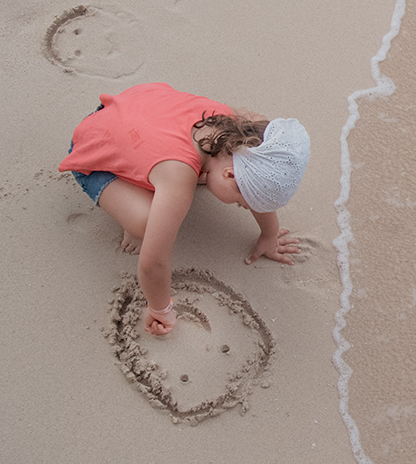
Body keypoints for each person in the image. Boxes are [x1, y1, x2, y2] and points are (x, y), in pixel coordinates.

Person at [60, 83, 310, 336]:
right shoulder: (178, 175)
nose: (242, 206)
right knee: (146, 223)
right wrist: (160, 309)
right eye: (240, 203)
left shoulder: (230, 124)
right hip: (93, 151)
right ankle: (130, 214)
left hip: (133, 110)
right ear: (230, 174)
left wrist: (269, 234)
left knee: (182, 178)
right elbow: (153, 262)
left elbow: (258, 177)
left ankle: (150, 168)